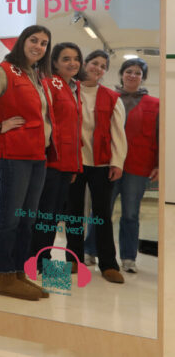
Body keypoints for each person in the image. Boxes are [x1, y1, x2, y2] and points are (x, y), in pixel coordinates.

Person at [0, 24, 52, 301]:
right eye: (34, 40)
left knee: (27, 220)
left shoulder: (35, 76)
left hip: (37, 156)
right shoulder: (5, 71)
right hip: (14, 156)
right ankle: (4, 277)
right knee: (10, 218)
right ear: (22, 42)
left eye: (43, 43)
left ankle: (18, 273)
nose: (38, 46)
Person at [85, 57, 157, 273]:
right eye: (129, 71)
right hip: (108, 163)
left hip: (139, 167)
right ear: (121, 74)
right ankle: (90, 250)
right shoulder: (108, 97)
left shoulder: (155, 104)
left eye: (137, 73)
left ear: (143, 77)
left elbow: (160, 135)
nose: (132, 75)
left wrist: (159, 165)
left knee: (131, 214)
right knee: (101, 210)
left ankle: (128, 258)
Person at [65, 49, 127, 283]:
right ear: (85, 64)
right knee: (73, 212)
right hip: (73, 162)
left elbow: (118, 133)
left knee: (101, 214)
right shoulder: (68, 91)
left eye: (103, 66)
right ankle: (73, 258)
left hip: (101, 164)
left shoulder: (112, 97)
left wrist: (117, 162)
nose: (98, 68)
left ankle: (108, 263)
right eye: (94, 63)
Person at [29, 43, 84, 269]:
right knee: (45, 215)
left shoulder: (74, 87)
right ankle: (37, 260)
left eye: (76, 58)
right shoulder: (49, 84)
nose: (72, 63)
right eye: (66, 59)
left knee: (53, 216)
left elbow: (74, 129)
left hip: (66, 163)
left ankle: (44, 257)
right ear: (54, 63)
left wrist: (74, 166)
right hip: (51, 160)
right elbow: (47, 123)